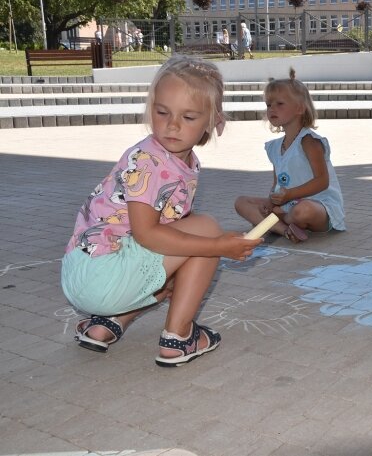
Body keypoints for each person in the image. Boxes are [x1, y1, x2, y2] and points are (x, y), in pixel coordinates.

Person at [61, 55, 262, 367]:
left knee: (182, 258)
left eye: (189, 117)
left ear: (214, 121)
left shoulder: (172, 159)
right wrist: (218, 247)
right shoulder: (150, 162)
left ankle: (105, 325)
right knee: (206, 229)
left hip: (87, 273)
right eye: (162, 112)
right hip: (102, 274)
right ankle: (178, 338)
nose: (172, 125)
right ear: (150, 107)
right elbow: (147, 233)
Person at [235, 68, 345, 243]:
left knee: (303, 211)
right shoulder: (274, 147)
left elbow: (322, 181)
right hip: (287, 205)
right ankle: (285, 230)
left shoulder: (309, 141)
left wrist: (289, 195)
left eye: (280, 104)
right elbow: (277, 184)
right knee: (241, 202)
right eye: (268, 104)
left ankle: (274, 222)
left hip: (319, 206)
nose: (272, 109)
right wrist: (272, 202)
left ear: (300, 108)